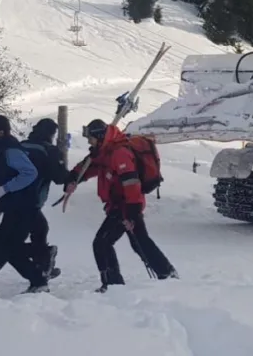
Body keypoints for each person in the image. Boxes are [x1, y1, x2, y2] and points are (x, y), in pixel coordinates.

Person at [64, 119, 177, 292]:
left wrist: (131, 212)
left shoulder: (119, 153)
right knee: (139, 241)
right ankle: (167, 273)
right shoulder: (105, 151)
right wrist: (73, 177)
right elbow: (91, 165)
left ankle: (113, 285)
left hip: (126, 205)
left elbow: (131, 181)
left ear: (100, 137)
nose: (89, 142)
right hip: (122, 204)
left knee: (102, 243)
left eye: (91, 139)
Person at [0, 115, 49, 293]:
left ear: (1, 131)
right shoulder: (1, 148)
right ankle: (38, 273)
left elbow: (30, 173)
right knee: (5, 244)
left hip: (23, 206)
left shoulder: (10, 149)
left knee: (5, 244)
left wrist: (6, 189)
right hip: (15, 205)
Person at [19, 118, 69, 280]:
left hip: (12, 197)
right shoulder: (49, 150)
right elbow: (59, 178)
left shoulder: (22, 146)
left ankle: (43, 264)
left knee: (38, 231)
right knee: (13, 240)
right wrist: (62, 161)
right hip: (32, 200)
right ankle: (42, 264)